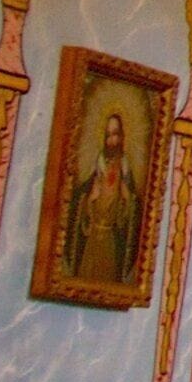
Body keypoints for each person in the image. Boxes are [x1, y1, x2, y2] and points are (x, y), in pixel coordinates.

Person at [64, 108, 144, 289]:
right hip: (92, 239)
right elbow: (81, 199)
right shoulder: (98, 165)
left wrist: (127, 200)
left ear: (122, 137)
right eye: (108, 135)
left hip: (110, 241)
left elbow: (134, 216)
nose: (112, 141)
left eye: (115, 135)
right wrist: (89, 200)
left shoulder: (125, 169)